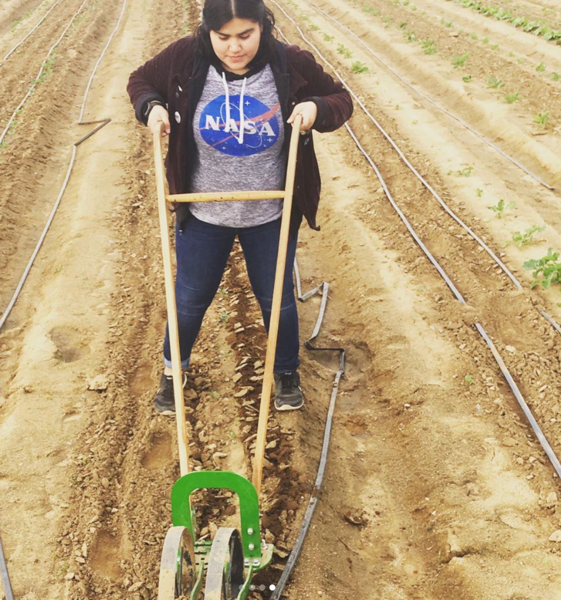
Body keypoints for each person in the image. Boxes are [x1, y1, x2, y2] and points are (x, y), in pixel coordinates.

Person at [127, 0, 353, 415]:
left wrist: (314, 107)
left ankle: (285, 372)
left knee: (277, 299)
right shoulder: (185, 58)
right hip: (202, 212)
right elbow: (140, 80)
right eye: (223, 38)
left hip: (269, 213)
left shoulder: (289, 63)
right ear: (208, 33)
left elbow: (340, 98)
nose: (234, 48)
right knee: (190, 299)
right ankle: (173, 372)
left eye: (245, 35)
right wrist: (152, 107)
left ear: (263, 28)